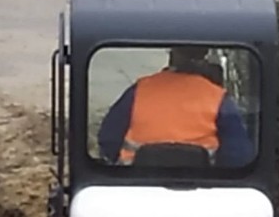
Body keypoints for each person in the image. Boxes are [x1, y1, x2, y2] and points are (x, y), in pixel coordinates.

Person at [97, 45, 254, 168]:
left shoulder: (140, 91)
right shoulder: (218, 98)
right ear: (203, 58)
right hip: (203, 191)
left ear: (172, 57)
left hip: (138, 188)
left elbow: (108, 139)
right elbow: (238, 156)